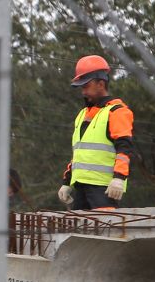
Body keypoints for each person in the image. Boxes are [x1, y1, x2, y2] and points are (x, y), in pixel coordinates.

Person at [57, 54, 133, 211]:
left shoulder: (117, 112)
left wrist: (118, 178)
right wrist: (67, 183)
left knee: (104, 232)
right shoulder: (82, 115)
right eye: (81, 87)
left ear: (101, 84)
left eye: (86, 86)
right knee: (80, 233)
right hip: (81, 189)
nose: (83, 91)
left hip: (104, 189)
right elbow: (80, 154)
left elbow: (124, 149)